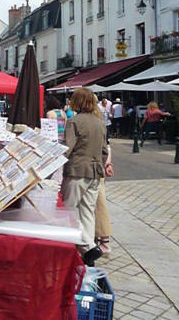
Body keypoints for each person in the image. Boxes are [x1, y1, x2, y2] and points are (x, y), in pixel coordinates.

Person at [61, 87, 113, 267]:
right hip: (95, 172)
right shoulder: (100, 123)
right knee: (87, 212)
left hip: (77, 170)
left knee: (68, 210)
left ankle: (89, 247)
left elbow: (67, 148)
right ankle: (88, 254)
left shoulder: (74, 121)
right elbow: (104, 152)